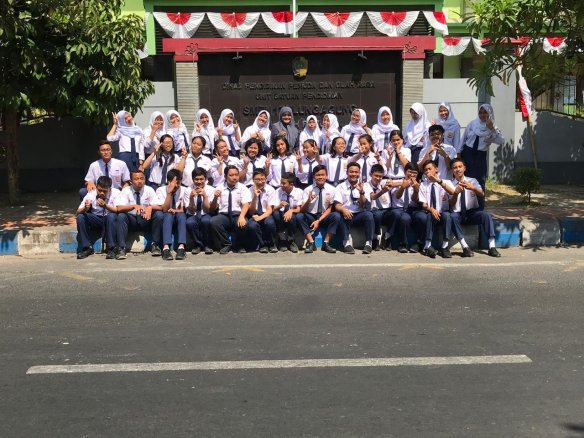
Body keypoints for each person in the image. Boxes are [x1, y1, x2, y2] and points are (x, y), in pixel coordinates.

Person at [448, 158, 501, 257]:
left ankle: (492, 247)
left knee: (486, 215)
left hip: (472, 213)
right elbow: (451, 203)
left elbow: (481, 194)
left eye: (460, 166)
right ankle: (465, 247)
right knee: (452, 217)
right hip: (458, 214)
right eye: (455, 168)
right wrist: (455, 193)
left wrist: (473, 188)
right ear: (451, 170)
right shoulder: (449, 184)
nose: (458, 169)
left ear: (464, 168)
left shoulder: (472, 180)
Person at [458, 103, 504, 208]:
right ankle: (465, 205)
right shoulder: (472, 124)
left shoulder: (493, 127)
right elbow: (463, 139)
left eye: (485, 113)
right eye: (481, 112)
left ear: (490, 113)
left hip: (480, 156)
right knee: (465, 178)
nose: (483, 115)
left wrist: (492, 129)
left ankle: (479, 206)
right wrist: (459, 155)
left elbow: (501, 141)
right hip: (467, 154)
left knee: (479, 180)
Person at [412, 160, 455, 258]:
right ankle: (427, 246)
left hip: (443, 212)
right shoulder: (423, 185)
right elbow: (424, 204)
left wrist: (439, 181)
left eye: (429, 169)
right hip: (430, 211)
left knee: (447, 216)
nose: (427, 171)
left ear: (436, 169)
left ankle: (444, 247)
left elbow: (452, 192)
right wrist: (431, 210)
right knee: (429, 216)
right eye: (425, 170)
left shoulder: (446, 182)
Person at [113, 170, 156, 260]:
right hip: (132, 220)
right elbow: (119, 208)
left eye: (142, 178)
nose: (139, 181)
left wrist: (151, 207)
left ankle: (156, 245)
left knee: (159, 215)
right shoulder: (126, 191)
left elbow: (161, 206)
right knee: (121, 216)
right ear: (131, 181)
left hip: (146, 219)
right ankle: (121, 248)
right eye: (136, 179)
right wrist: (133, 206)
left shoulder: (149, 190)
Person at [209, 165, 252, 254]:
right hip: (223, 215)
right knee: (214, 221)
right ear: (225, 176)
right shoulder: (219, 188)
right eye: (231, 175)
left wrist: (242, 216)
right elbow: (213, 208)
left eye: (236, 175)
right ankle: (226, 244)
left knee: (243, 223)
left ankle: (240, 246)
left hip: (237, 214)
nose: (234, 177)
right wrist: (215, 198)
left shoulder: (242, 188)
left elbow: (246, 204)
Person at [297, 165, 340, 254]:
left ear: (326, 176)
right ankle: (311, 243)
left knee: (336, 216)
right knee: (299, 216)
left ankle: (326, 243)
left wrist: (319, 220)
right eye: (318, 175)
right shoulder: (308, 190)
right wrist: (308, 200)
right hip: (311, 216)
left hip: (324, 216)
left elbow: (330, 208)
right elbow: (302, 209)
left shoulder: (332, 189)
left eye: (322, 175)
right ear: (314, 176)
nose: (320, 177)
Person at [334, 162, 375, 254]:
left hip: (359, 214)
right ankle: (346, 243)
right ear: (347, 172)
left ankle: (368, 243)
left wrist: (361, 193)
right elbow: (337, 205)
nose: (354, 174)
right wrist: (343, 210)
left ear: (359, 173)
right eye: (351, 172)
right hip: (347, 215)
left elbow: (362, 205)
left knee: (369, 215)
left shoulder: (365, 186)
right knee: (339, 215)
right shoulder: (340, 187)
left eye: (356, 172)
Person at [76, 176, 119, 260]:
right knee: (81, 217)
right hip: (96, 218)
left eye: (105, 191)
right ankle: (87, 247)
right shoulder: (91, 194)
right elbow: (78, 211)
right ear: (96, 187)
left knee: (111, 216)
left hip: (110, 219)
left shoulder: (116, 193)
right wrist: (85, 208)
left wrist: (106, 206)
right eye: (99, 190)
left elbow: (118, 210)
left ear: (110, 189)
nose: (102, 193)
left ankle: (112, 248)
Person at [150, 169, 189, 261]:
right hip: (167, 216)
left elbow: (185, 209)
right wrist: (169, 192)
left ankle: (181, 247)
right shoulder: (160, 190)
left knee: (182, 216)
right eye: (174, 183)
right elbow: (164, 209)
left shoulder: (185, 190)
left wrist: (175, 210)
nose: (176, 185)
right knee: (167, 215)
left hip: (179, 215)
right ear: (168, 182)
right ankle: (166, 248)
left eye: (178, 183)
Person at [387, 163, 421, 252]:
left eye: (415, 173)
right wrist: (402, 187)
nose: (412, 175)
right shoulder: (396, 182)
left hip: (411, 209)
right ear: (405, 172)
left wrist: (416, 190)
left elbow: (415, 200)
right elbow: (397, 196)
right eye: (410, 172)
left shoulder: (418, 184)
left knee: (407, 218)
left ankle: (412, 243)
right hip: (398, 208)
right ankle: (399, 242)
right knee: (397, 214)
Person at [247, 169, 278, 253]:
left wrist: (260, 218)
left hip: (266, 214)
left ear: (266, 179)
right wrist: (255, 197)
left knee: (269, 223)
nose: (260, 182)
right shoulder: (249, 190)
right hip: (254, 214)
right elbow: (251, 212)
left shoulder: (270, 189)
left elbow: (269, 210)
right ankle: (262, 245)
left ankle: (272, 244)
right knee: (252, 225)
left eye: (262, 179)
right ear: (253, 180)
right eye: (257, 179)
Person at [271, 172, 303, 253]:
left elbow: (299, 209)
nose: (281, 185)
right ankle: (282, 240)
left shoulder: (299, 192)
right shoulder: (277, 191)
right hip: (280, 214)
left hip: (292, 214)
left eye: (284, 183)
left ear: (291, 184)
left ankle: (291, 241)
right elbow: (273, 209)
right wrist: (279, 206)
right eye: (281, 182)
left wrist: (291, 211)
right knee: (276, 214)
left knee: (292, 218)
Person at [186, 168, 215, 255]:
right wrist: (191, 198)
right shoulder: (188, 190)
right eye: (196, 179)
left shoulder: (211, 189)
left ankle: (207, 245)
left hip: (206, 213)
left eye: (201, 179)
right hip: (193, 214)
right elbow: (191, 210)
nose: (199, 182)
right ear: (193, 179)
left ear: (205, 179)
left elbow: (207, 209)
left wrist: (205, 196)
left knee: (206, 221)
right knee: (190, 222)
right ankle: (198, 245)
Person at [364, 164, 392, 250]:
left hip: (386, 210)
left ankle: (388, 237)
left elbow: (398, 182)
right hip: (374, 210)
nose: (378, 178)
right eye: (376, 175)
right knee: (377, 215)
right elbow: (373, 197)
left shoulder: (383, 183)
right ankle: (375, 238)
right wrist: (382, 191)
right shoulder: (366, 185)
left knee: (395, 214)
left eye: (380, 176)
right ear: (370, 174)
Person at [404, 102, 430, 167]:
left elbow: (428, 142)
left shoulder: (427, 126)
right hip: (409, 151)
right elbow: (404, 138)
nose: (413, 115)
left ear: (420, 113)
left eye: (415, 113)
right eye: (412, 113)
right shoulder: (409, 125)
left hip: (421, 152)